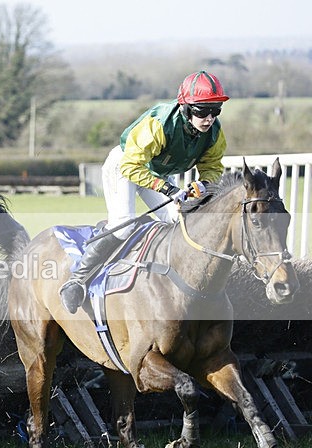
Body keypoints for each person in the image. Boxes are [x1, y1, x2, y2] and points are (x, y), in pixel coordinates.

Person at [59, 70, 229, 314]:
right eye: (202, 110)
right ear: (185, 107)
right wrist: (167, 187)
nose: (209, 118)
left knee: (179, 222)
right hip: (124, 166)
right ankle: (76, 281)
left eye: (215, 110)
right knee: (125, 224)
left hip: (156, 171)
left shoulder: (214, 132)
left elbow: (212, 168)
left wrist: (202, 185)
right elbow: (131, 166)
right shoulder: (160, 124)